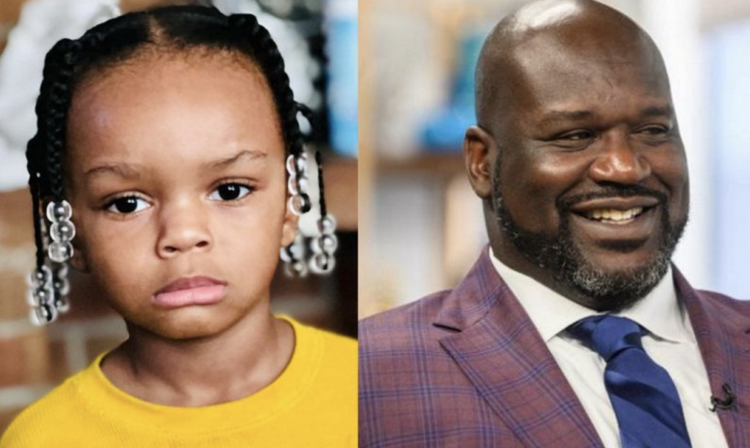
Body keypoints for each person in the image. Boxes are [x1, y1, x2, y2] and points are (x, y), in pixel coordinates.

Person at [359, 1, 750, 447]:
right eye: (575, 136)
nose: (624, 167)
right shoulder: (368, 379)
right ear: (483, 164)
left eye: (652, 130)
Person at [0, 5, 355, 447]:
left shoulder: (373, 391)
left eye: (230, 191)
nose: (183, 234)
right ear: (66, 228)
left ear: (291, 201)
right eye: (127, 203)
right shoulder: (43, 440)